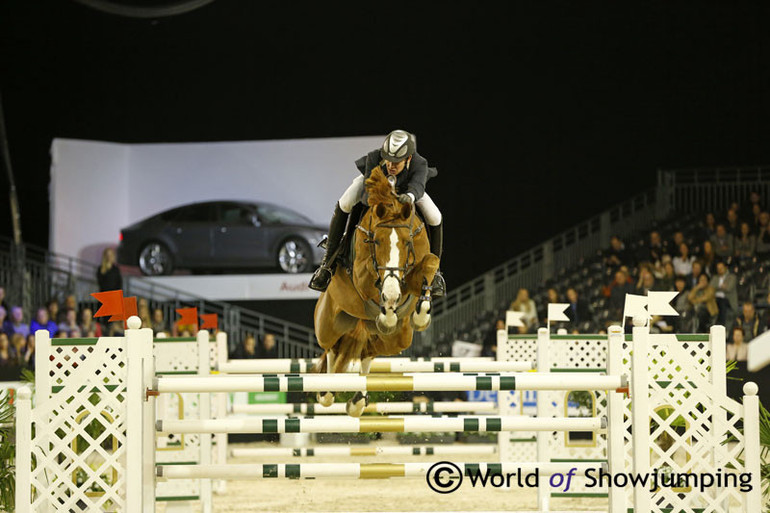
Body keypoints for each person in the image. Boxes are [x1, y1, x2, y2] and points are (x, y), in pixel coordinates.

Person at [309, 130, 444, 296]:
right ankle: (327, 265)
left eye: (397, 162)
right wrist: (384, 198)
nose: (391, 165)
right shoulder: (374, 158)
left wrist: (409, 196)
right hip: (376, 190)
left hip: (409, 190)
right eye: (388, 160)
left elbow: (417, 185)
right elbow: (366, 196)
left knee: (435, 216)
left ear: (408, 159)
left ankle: (436, 273)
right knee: (344, 203)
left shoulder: (419, 163)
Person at [710, 261, 738, 327]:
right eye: (718, 268)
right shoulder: (715, 278)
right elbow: (711, 288)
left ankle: (720, 325)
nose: (719, 270)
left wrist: (717, 287)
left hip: (728, 301)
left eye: (721, 268)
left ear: (726, 268)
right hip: (715, 300)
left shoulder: (732, 277)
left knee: (722, 302)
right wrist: (721, 286)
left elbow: (729, 288)